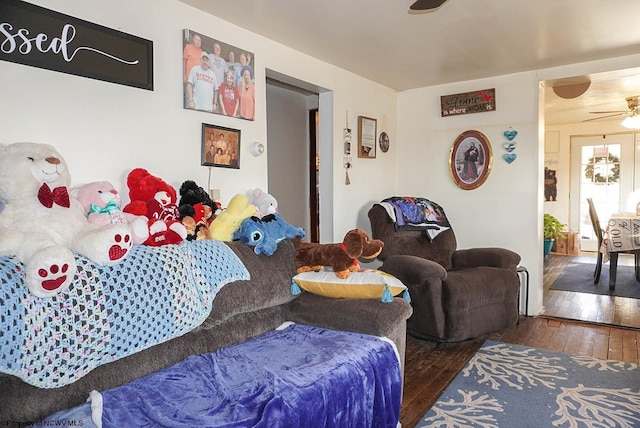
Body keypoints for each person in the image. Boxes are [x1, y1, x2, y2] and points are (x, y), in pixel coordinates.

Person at [183, 33, 202, 108]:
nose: (198, 42)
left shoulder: (201, 52)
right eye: (197, 40)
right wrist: (184, 75)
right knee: (188, 100)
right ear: (193, 39)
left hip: (198, 80)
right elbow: (184, 62)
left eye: (199, 41)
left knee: (196, 100)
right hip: (189, 78)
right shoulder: (188, 47)